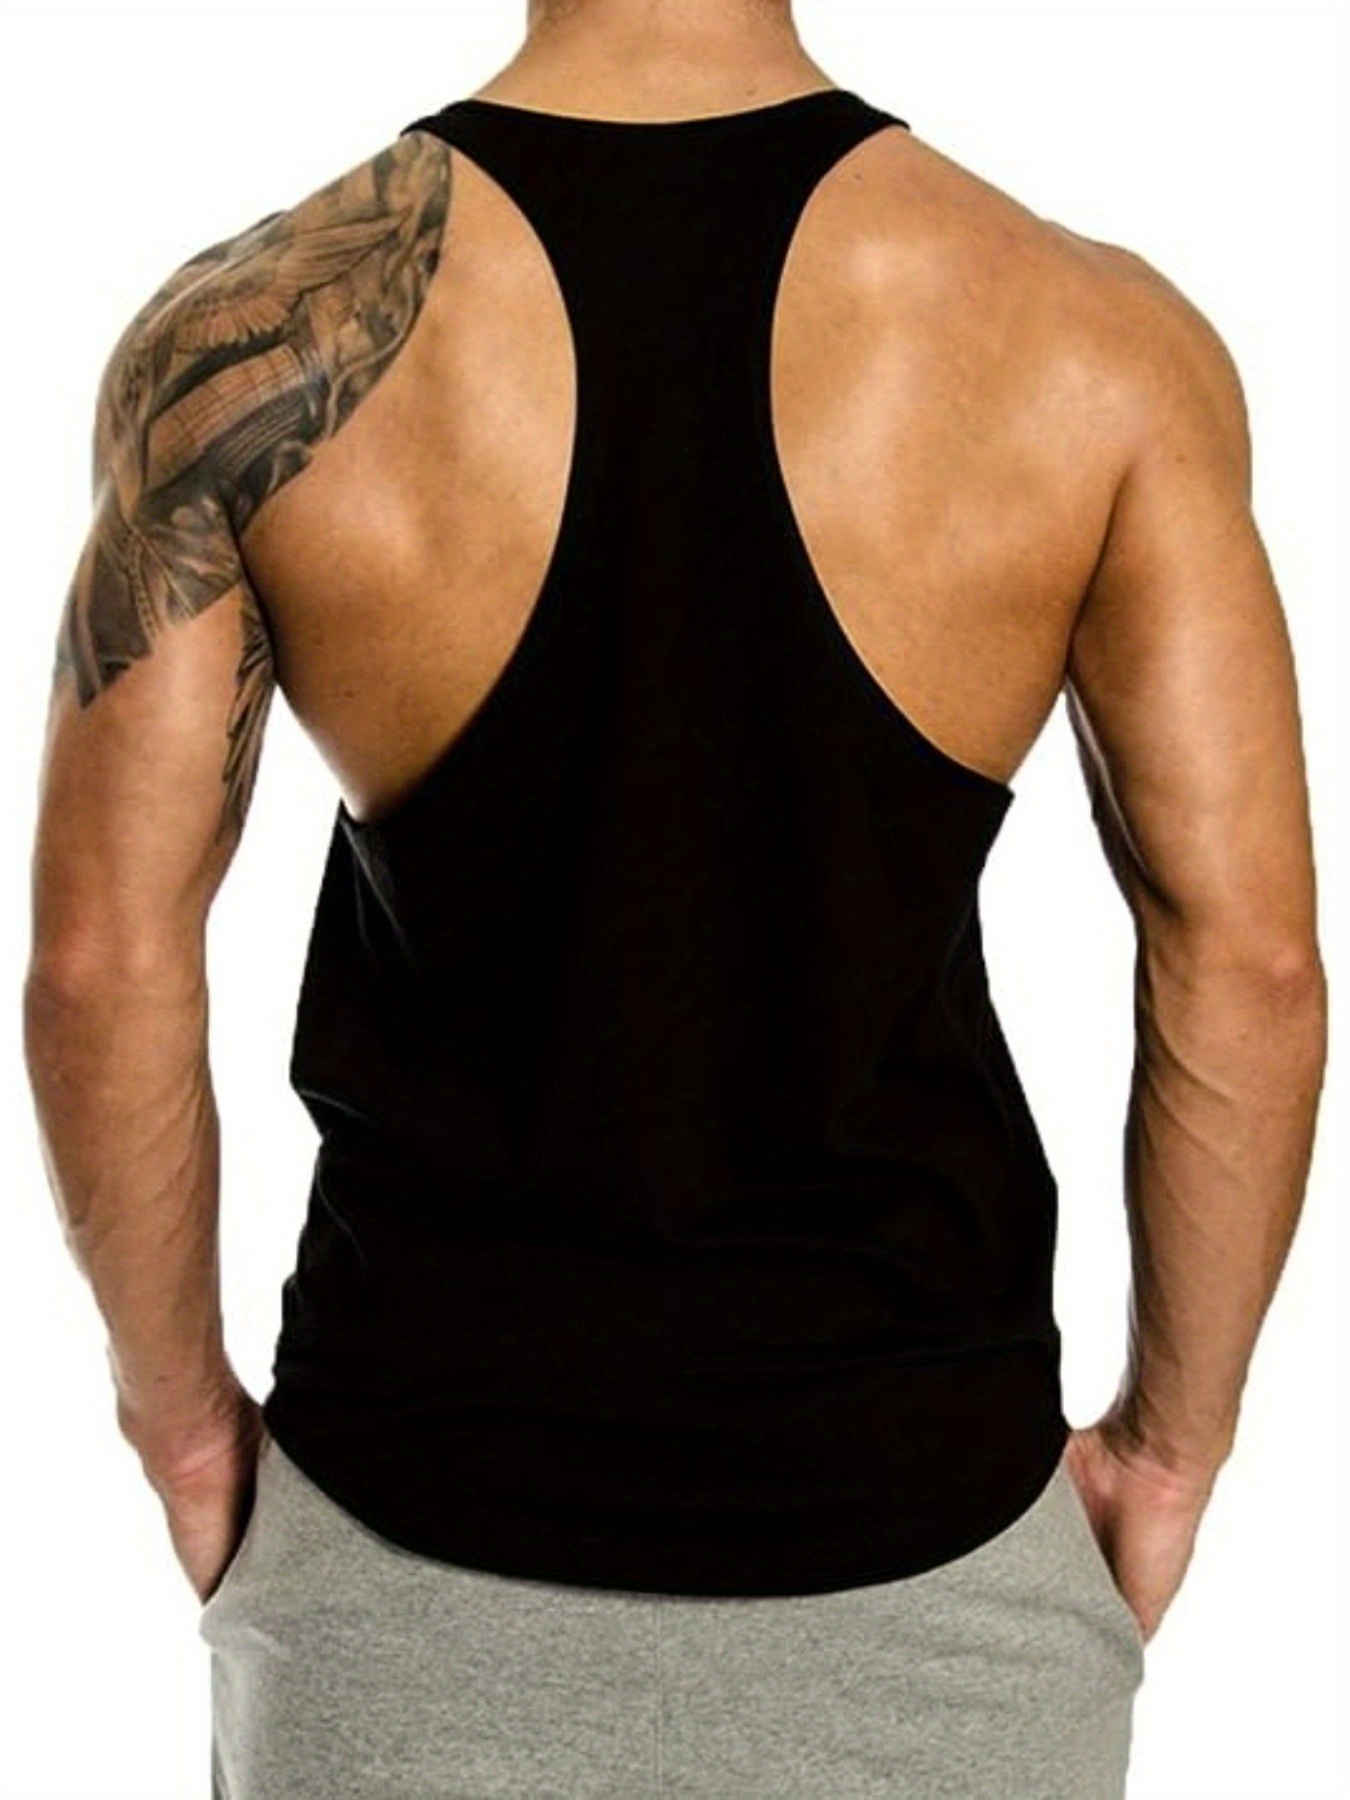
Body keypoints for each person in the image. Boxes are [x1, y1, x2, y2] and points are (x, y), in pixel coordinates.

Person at [23, 1, 1327, 1796]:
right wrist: (1168, 1455)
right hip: (933, 1546)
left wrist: (180, 1432)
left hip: (404, 1549)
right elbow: (1246, 961)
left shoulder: (245, 342)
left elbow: (101, 962)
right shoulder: (1094, 340)